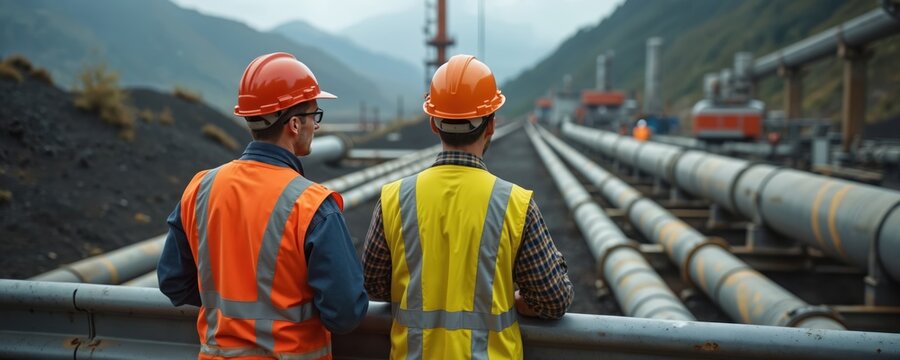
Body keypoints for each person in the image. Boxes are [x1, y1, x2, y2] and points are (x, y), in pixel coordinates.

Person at [362, 54, 574, 359]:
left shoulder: (394, 198)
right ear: (491, 125)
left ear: (434, 124)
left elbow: (376, 285)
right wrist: (514, 299)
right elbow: (553, 299)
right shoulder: (516, 204)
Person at [158, 52, 368, 360]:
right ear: (294, 124)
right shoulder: (312, 206)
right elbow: (345, 313)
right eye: (315, 115)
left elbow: (173, 282)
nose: (317, 126)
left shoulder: (200, 188)